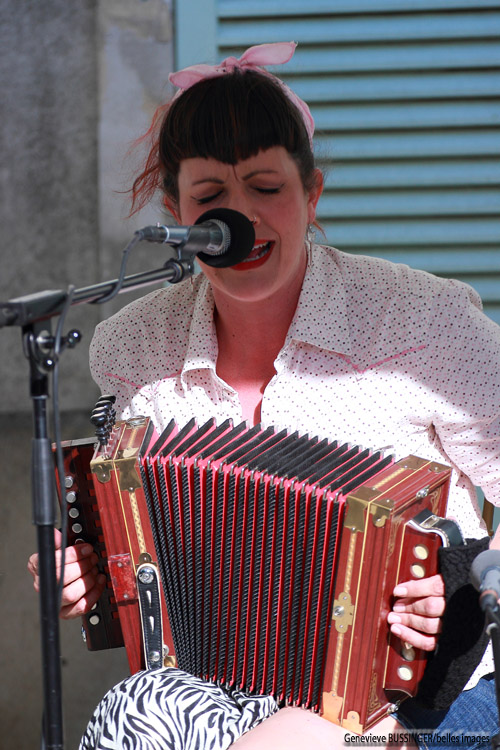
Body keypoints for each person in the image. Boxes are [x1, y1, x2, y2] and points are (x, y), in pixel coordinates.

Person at [28, 42, 500, 750]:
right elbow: (135, 545)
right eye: (212, 197)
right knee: (127, 715)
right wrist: (89, 570)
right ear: (176, 213)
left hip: (422, 702)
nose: (241, 216)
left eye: (266, 187)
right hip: (222, 693)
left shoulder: (426, 320)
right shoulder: (134, 346)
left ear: (312, 195)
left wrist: (459, 582)